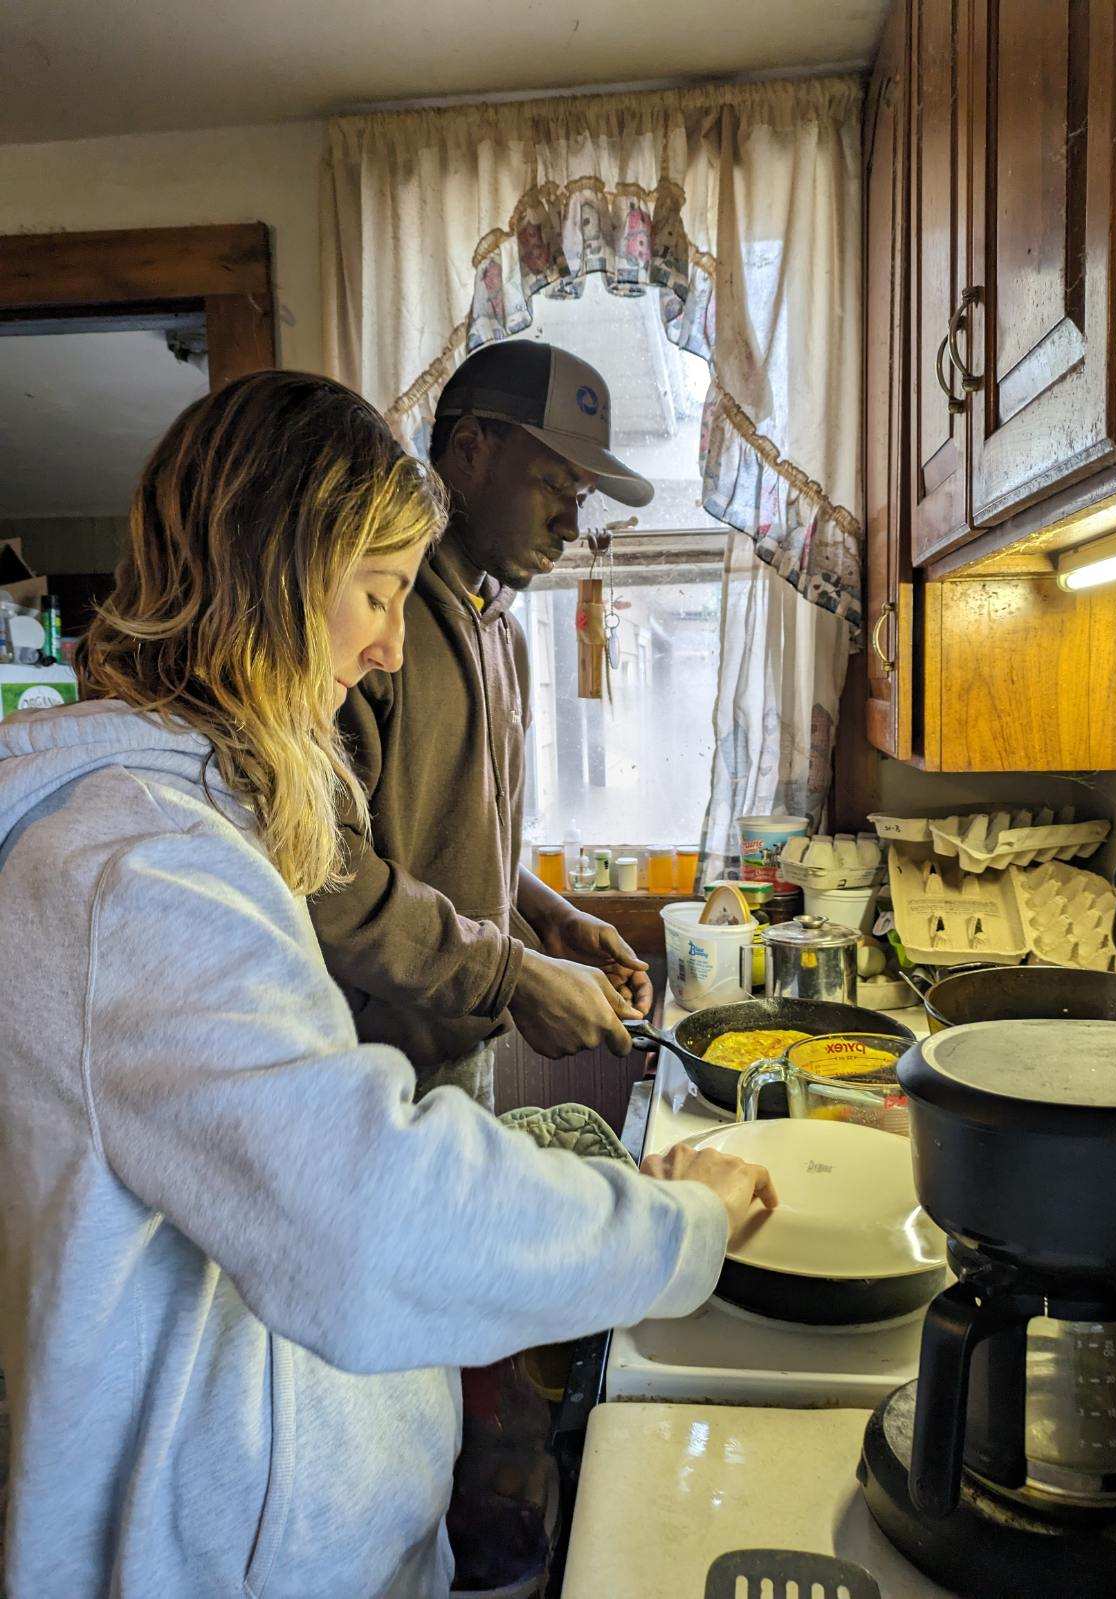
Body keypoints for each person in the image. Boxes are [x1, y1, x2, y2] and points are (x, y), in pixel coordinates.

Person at [0, 370, 776, 1599]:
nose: (376, 653)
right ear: (268, 569)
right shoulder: (135, 871)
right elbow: (365, 1217)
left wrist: (547, 923)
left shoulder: (197, 824)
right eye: (370, 594)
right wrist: (681, 1228)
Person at [311, 340, 660, 1108]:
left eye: (583, 494)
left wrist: (547, 916)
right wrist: (514, 974)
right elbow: (326, 871)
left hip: (462, 1037)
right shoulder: (362, 631)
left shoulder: (502, 629)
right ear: (469, 449)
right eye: (554, 483)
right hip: (365, 1076)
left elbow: (449, 828)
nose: (572, 521)